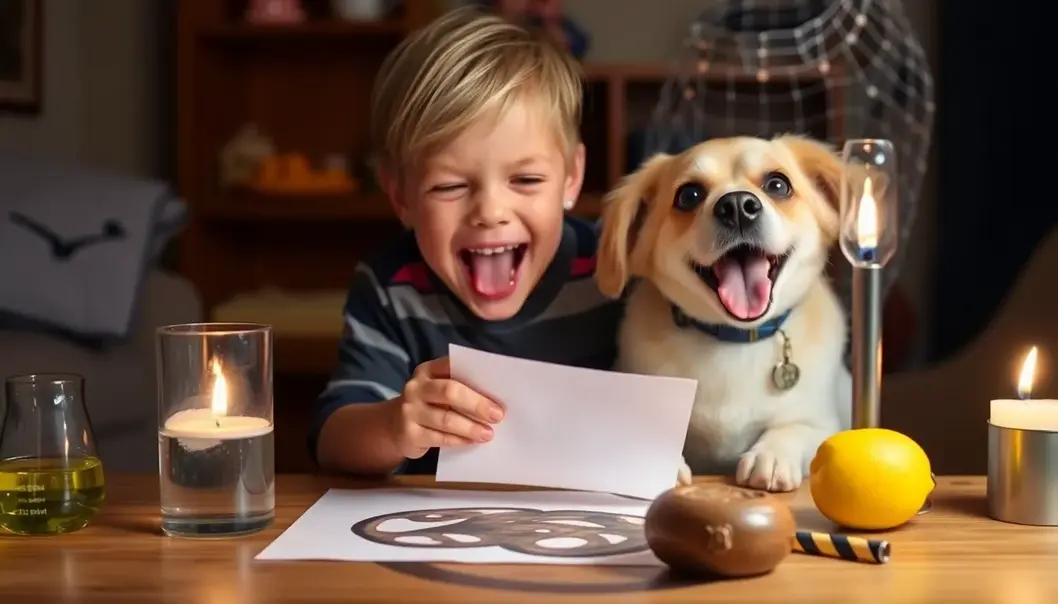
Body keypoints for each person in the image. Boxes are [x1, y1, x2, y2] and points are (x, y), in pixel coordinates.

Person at [310, 7, 624, 476]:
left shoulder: (616, 267)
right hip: (443, 536)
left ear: (572, 178)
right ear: (401, 196)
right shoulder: (392, 287)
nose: (490, 213)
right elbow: (333, 439)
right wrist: (396, 426)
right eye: (450, 187)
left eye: (526, 179)